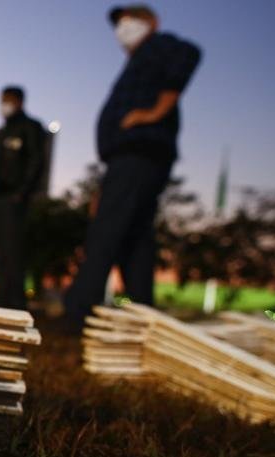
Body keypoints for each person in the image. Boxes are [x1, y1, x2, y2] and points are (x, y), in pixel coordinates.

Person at [64, 4, 201, 325]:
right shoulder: (137, 62)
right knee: (135, 236)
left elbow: (190, 54)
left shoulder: (159, 47)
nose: (122, 29)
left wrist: (154, 112)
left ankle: (80, 311)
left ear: (150, 22)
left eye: (129, 22)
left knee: (106, 232)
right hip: (127, 159)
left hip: (139, 152)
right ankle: (144, 314)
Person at [0, 86, 46, 309]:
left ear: (19, 101)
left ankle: (16, 308)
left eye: (7, 100)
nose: (3, 105)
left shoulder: (30, 128)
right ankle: (1, 306)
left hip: (14, 200)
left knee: (14, 255)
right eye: (2, 100)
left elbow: (37, 162)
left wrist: (22, 194)